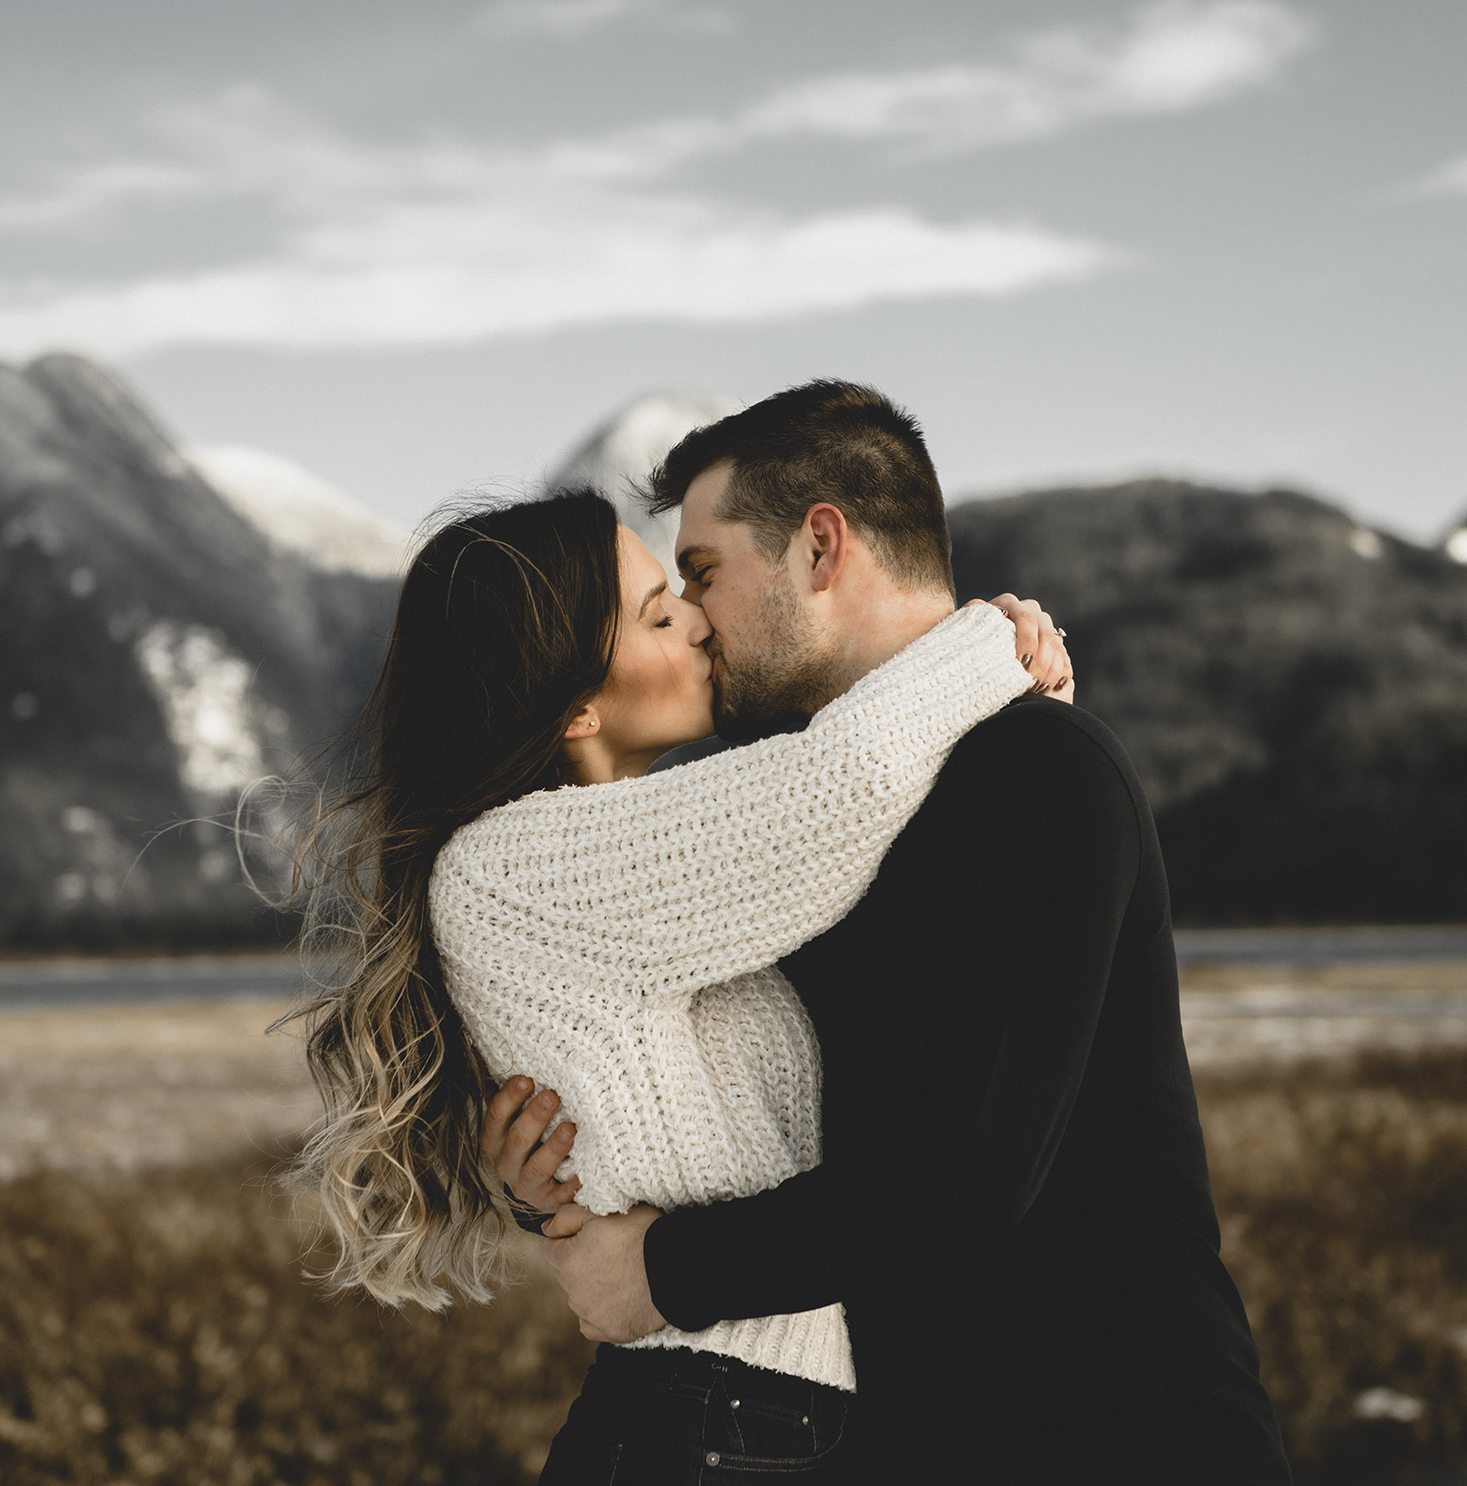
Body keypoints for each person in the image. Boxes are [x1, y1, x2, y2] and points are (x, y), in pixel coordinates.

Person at [532, 381, 1293, 1483]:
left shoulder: (1037, 772)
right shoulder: (802, 811)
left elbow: (971, 1167)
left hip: (1128, 1437)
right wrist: (549, 1164)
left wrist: (660, 1271)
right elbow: (716, 1089)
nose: (693, 620)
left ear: (821, 548)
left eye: (703, 574)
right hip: (916, 1439)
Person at [287, 486, 1068, 1482]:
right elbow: (849, 779)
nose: (700, 623)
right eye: (661, 613)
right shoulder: (520, 867)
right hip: (716, 1426)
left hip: (739, 1422)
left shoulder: (618, 855)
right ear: (574, 703)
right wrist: (991, 640)